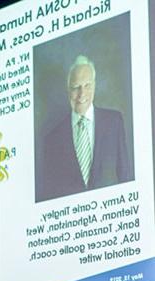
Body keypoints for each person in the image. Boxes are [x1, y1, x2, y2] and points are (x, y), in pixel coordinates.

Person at [36, 55, 132, 202]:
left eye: (87, 85)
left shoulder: (114, 122)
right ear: (68, 90)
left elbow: (125, 175)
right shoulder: (52, 139)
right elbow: (49, 192)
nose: (82, 94)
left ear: (94, 85)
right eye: (76, 87)